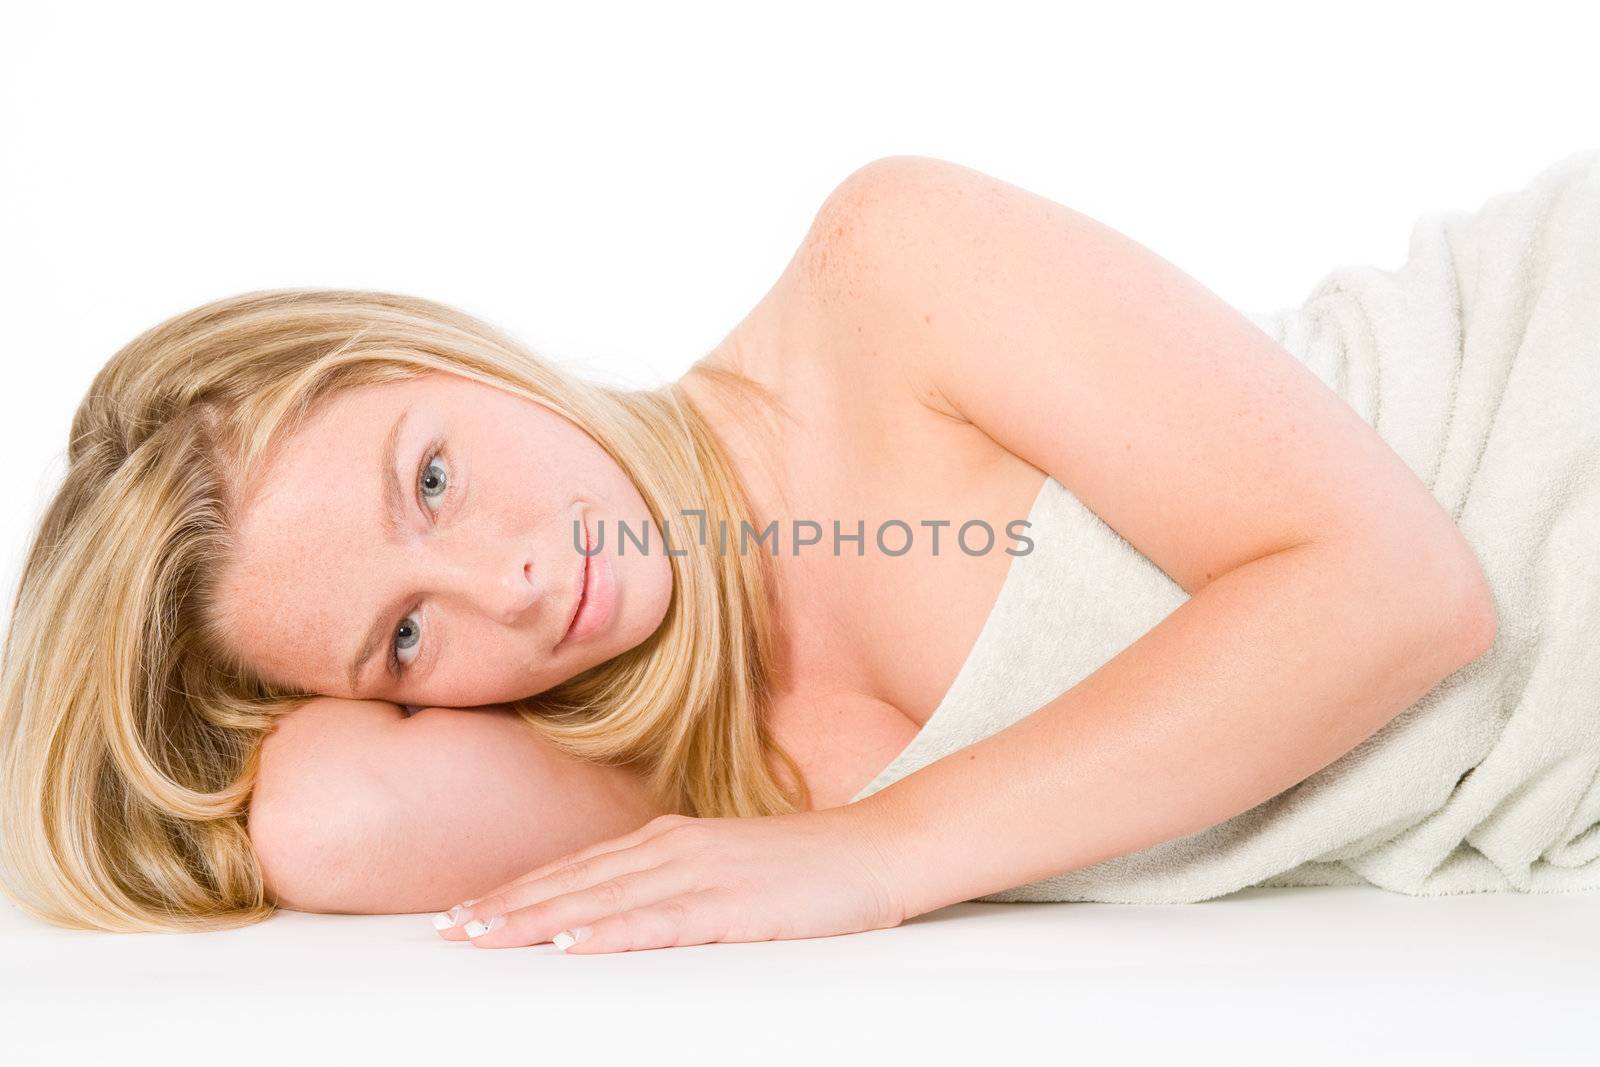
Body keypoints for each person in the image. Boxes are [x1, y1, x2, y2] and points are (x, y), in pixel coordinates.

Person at [0, 155, 1495, 946]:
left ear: (435, 353)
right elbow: (330, 822)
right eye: (402, 637)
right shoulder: (693, 780)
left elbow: (1398, 590)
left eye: (435, 478)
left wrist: (878, 858)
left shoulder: (886, 273)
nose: (505, 583)